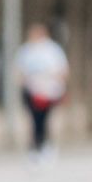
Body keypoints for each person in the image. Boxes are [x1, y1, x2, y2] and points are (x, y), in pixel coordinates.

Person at [14, 23, 69, 161]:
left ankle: (48, 146)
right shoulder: (26, 50)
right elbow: (18, 71)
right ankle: (35, 147)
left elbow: (63, 70)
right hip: (32, 92)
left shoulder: (52, 49)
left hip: (50, 92)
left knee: (47, 120)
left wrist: (54, 83)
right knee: (33, 120)